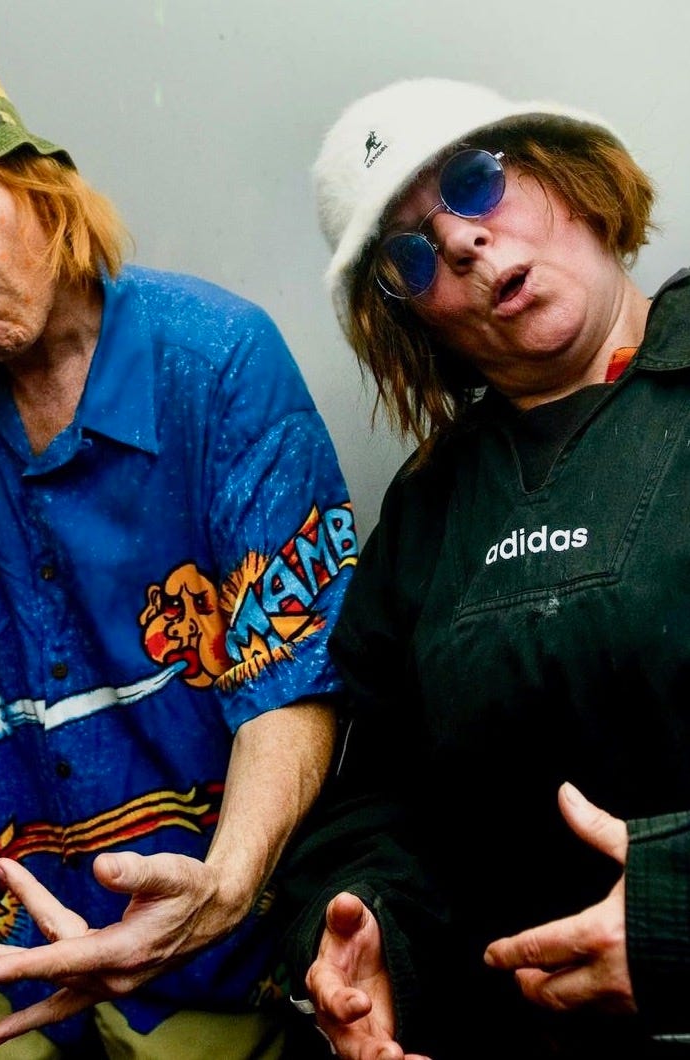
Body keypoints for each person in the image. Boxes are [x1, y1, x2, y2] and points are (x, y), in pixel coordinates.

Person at [0, 43, 359, 1059]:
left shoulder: (216, 358)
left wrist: (225, 887)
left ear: (37, 186)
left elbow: (293, 672)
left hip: (197, 950)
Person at [277, 76, 690, 1059]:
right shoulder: (429, 511)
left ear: (571, 177)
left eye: (475, 182)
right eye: (411, 255)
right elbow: (384, 796)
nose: (461, 241)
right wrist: (367, 933)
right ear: (416, 321)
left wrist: (675, 910)